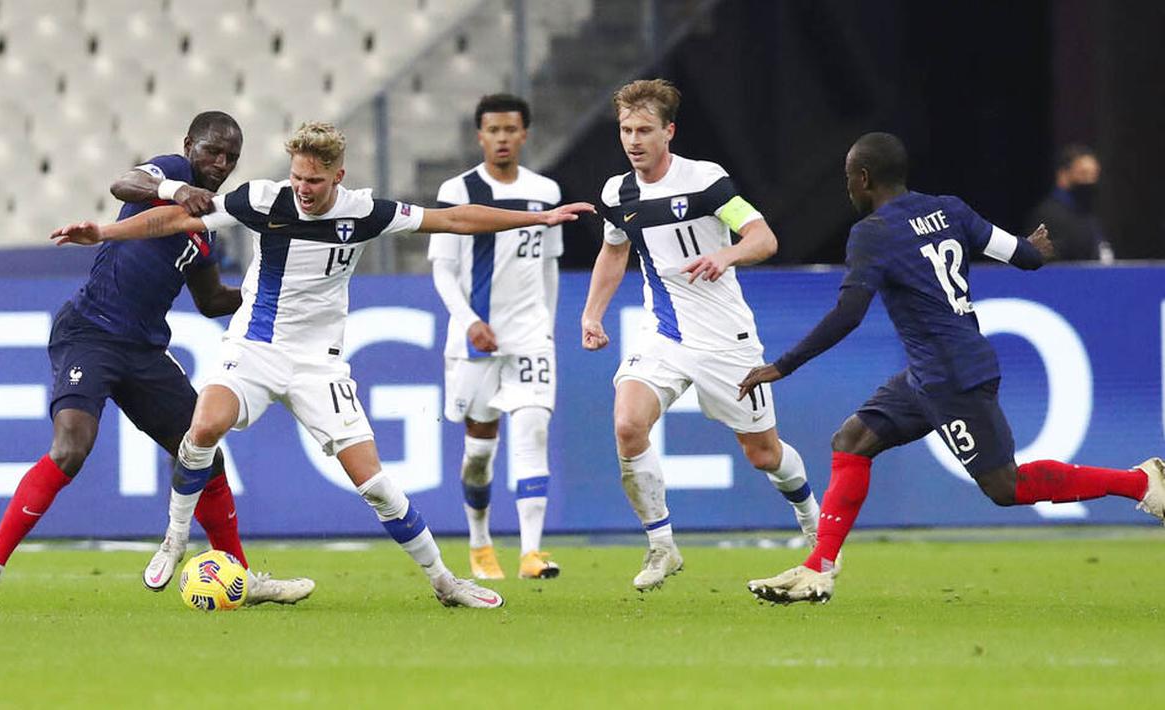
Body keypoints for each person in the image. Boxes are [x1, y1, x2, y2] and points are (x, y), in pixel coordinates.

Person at [50, 122, 594, 609]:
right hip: (256, 348)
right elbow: (169, 220)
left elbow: (452, 218)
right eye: (297, 178)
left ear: (339, 176)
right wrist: (105, 231)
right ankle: (174, 539)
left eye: (314, 181)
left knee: (375, 484)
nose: (303, 190)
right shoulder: (264, 199)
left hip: (320, 366)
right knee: (202, 427)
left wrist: (538, 217)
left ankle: (445, 581)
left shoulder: (365, 211)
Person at [742, 132, 1165, 605]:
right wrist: (1033, 247)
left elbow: (849, 314)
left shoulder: (872, 233)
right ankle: (819, 568)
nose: (848, 189)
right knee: (852, 441)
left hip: (952, 376)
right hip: (929, 372)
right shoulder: (949, 209)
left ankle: (1140, 482)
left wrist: (783, 365)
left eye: (848, 179)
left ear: (863, 179)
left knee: (1007, 487)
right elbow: (1025, 257)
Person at [0, 111, 314, 611]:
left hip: (144, 350)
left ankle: (238, 574)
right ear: (189, 144)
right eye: (212, 151)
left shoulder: (206, 229)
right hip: (91, 332)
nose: (220, 163)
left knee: (203, 451)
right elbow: (123, 183)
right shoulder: (170, 173)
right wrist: (174, 190)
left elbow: (212, 300)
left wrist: (273, 292)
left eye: (231, 157)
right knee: (71, 448)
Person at [580, 79, 819, 592]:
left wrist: (725, 254)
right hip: (662, 334)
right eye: (625, 130)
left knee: (764, 455)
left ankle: (814, 526)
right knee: (627, 424)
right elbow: (615, 250)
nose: (633, 140)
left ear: (669, 131)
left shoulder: (706, 181)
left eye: (644, 129)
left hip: (724, 340)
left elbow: (763, 237)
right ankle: (662, 546)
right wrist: (592, 314)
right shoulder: (616, 193)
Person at [428, 94, 563, 581]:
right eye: (494, 130)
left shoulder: (546, 191)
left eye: (511, 129)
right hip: (475, 339)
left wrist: (546, 325)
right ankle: (481, 542)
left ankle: (532, 552)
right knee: (480, 452)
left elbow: (548, 267)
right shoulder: (456, 189)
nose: (503, 138)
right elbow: (443, 271)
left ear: (524, 134)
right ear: (480, 135)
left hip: (529, 336)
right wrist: (469, 322)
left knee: (533, 430)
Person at [1025, 144, 1112, 263]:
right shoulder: (1049, 215)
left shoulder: (1089, 214)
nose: (1091, 180)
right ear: (1063, 174)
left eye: (1094, 174)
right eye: (1084, 173)